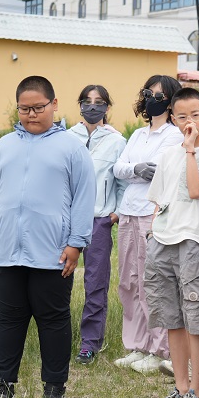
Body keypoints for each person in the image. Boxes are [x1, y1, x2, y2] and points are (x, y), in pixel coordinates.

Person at [0, 76, 95, 398]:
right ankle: (2, 387)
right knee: (8, 319)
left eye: (38, 107)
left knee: (54, 320)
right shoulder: (3, 147)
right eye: (24, 109)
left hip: (53, 252)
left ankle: (54, 389)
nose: (31, 114)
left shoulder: (72, 148)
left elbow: (84, 198)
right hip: (7, 250)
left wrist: (76, 242)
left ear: (54, 105)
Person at [146, 87, 199, 398]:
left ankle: (198, 391)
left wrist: (191, 149)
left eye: (195, 115)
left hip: (193, 243)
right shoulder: (167, 154)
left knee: (196, 320)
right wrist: (153, 235)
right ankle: (180, 389)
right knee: (172, 319)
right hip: (162, 242)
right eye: (182, 117)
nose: (189, 121)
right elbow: (158, 200)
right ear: (173, 118)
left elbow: (196, 191)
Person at [112, 75, 183, 374]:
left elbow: (160, 171)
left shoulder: (173, 135)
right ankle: (137, 345)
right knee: (128, 281)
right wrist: (135, 169)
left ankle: (159, 348)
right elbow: (119, 168)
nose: (152, 98)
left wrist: (136, 170)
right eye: (148, 93)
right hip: (127, 211)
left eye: (159, 95)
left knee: (151, 282)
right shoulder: (138, 136)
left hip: (151, 213)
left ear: (170, 101)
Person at [68, 85, 127, 365]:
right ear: (79, 105)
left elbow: (124, 183)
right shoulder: (66, 137)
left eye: (99, 102)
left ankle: (90, 343)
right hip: (67, 221)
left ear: (107, 107)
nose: (93, 107)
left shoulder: (117, 141)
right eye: (87, 101)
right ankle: (57, 336)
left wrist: (114, 215)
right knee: (59, 279)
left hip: (99, 221)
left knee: (95, 283)